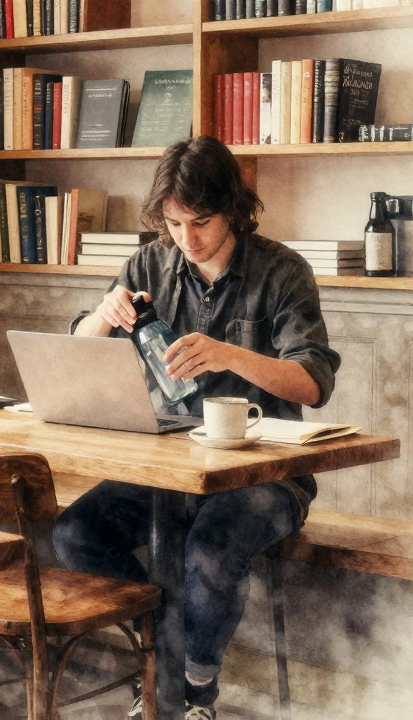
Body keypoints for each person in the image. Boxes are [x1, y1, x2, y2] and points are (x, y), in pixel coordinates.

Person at [54, 136, 341, 720]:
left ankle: (192, 686)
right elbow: (75, 346)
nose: (188, 239)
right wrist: (100, 321)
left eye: (202, 223)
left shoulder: (283, 272)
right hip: (168, 466)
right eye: (175, 223)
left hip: (266, 474)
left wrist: (230, 355)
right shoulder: (150, 263)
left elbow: (313, 383)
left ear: (233, 209)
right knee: (73, 534)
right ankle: (162, 656)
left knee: (210, 550)